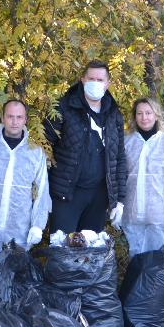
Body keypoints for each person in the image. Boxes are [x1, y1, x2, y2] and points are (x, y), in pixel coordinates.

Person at [44, 60, 128, 233]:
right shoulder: (62, 108)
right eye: (91, 79)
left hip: (99, 196)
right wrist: (42, 191)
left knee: (91, 251)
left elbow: (119, 157)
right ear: (82, 79)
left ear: (108, 83)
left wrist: (119, 200)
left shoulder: (114, 114)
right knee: (62, 250)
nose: (95, 83)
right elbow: (43, 148)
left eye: (100, 80)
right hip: (66, 194)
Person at [0, 99, 51, 267]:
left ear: (25, 120)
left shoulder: (35, 153)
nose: (14, 121)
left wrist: (38, 225)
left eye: (19, 117)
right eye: (10, 116)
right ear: (2, 118)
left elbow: (42, 190)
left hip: (19, 230)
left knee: (14, 281)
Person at [120, 98, 164, 255]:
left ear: (156, 115)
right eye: (139, 113)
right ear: (135, 117)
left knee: (157, 263)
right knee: (136, 259)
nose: (144, 117)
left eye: (148, 113)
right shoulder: (127, 142)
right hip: (132, 213)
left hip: (158, 215)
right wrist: (117, 206)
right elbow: (120, 177)